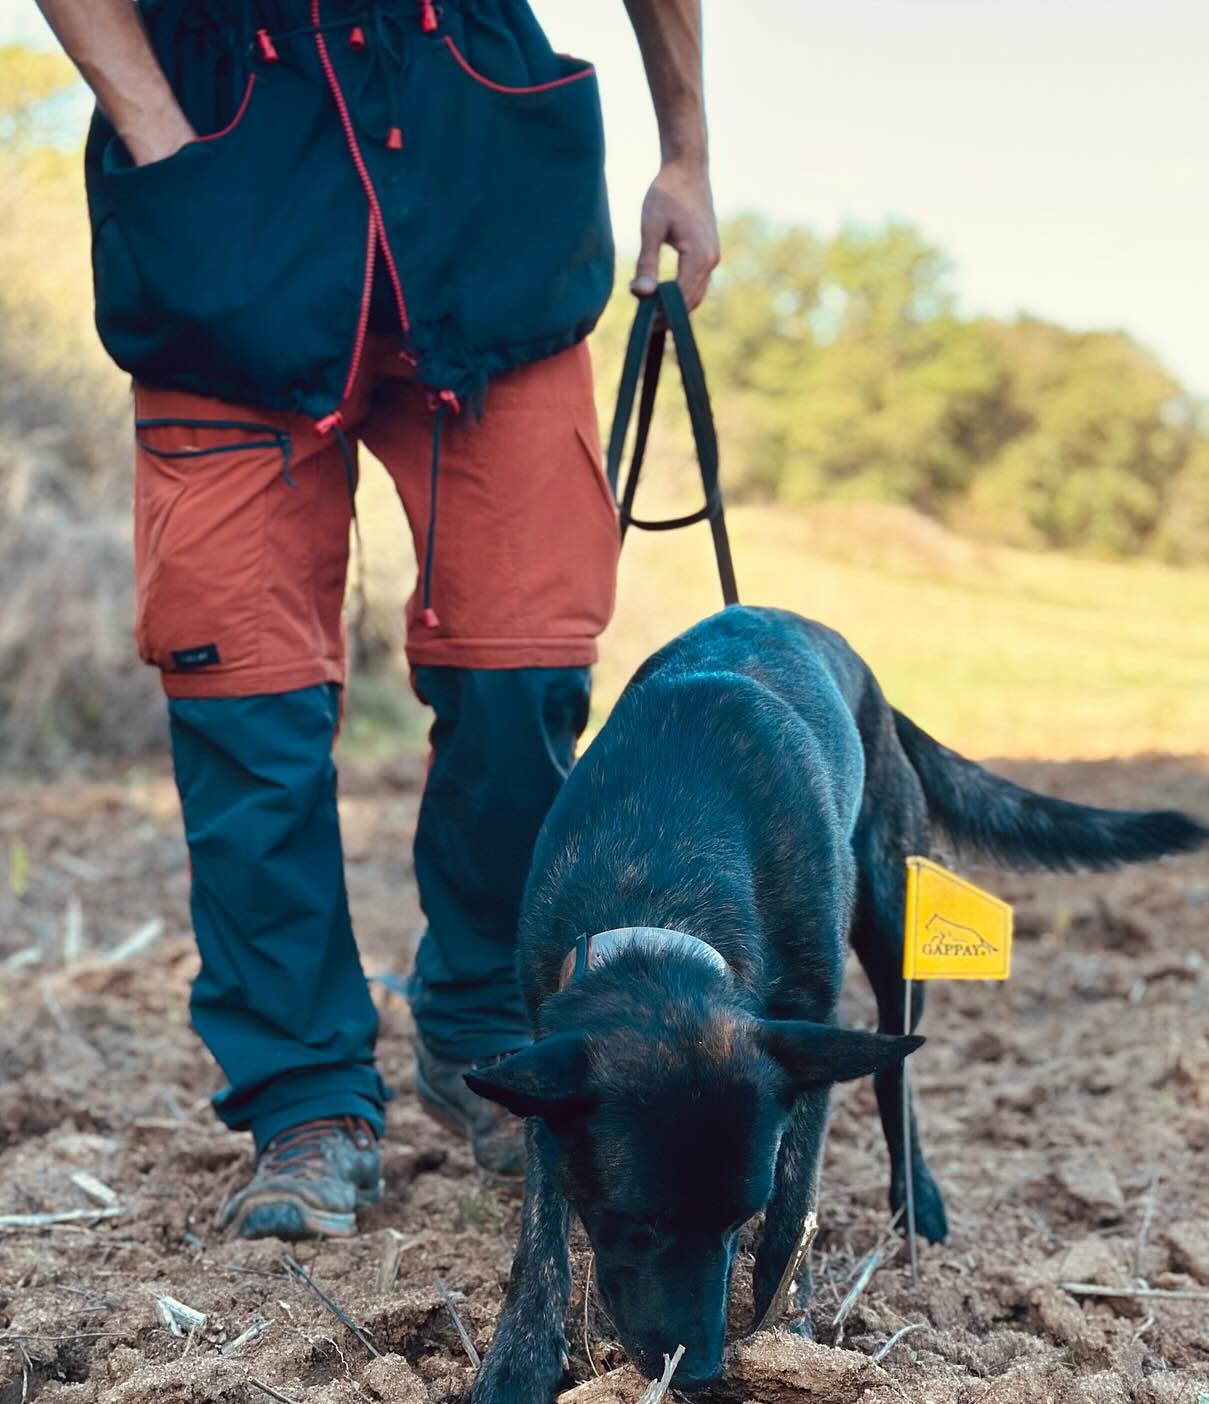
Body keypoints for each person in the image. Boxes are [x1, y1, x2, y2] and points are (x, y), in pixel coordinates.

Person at [35, 0, 718, 1238]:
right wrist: (158, 135)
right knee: (244, 704)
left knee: (523, 671)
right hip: (221, 179)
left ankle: (488, 1032)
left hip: (482, 173)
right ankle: (304, 1101)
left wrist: (686, 153)